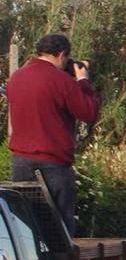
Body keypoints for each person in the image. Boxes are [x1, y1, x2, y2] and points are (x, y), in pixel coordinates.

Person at [6, 33, 100, 235]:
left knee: (27, 224)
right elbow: (89, 113)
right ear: (61, 55)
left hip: (21, 161)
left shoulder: (17, 78)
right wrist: (83, 81)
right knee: (60, 230)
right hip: (53, 163)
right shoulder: (62, 81)